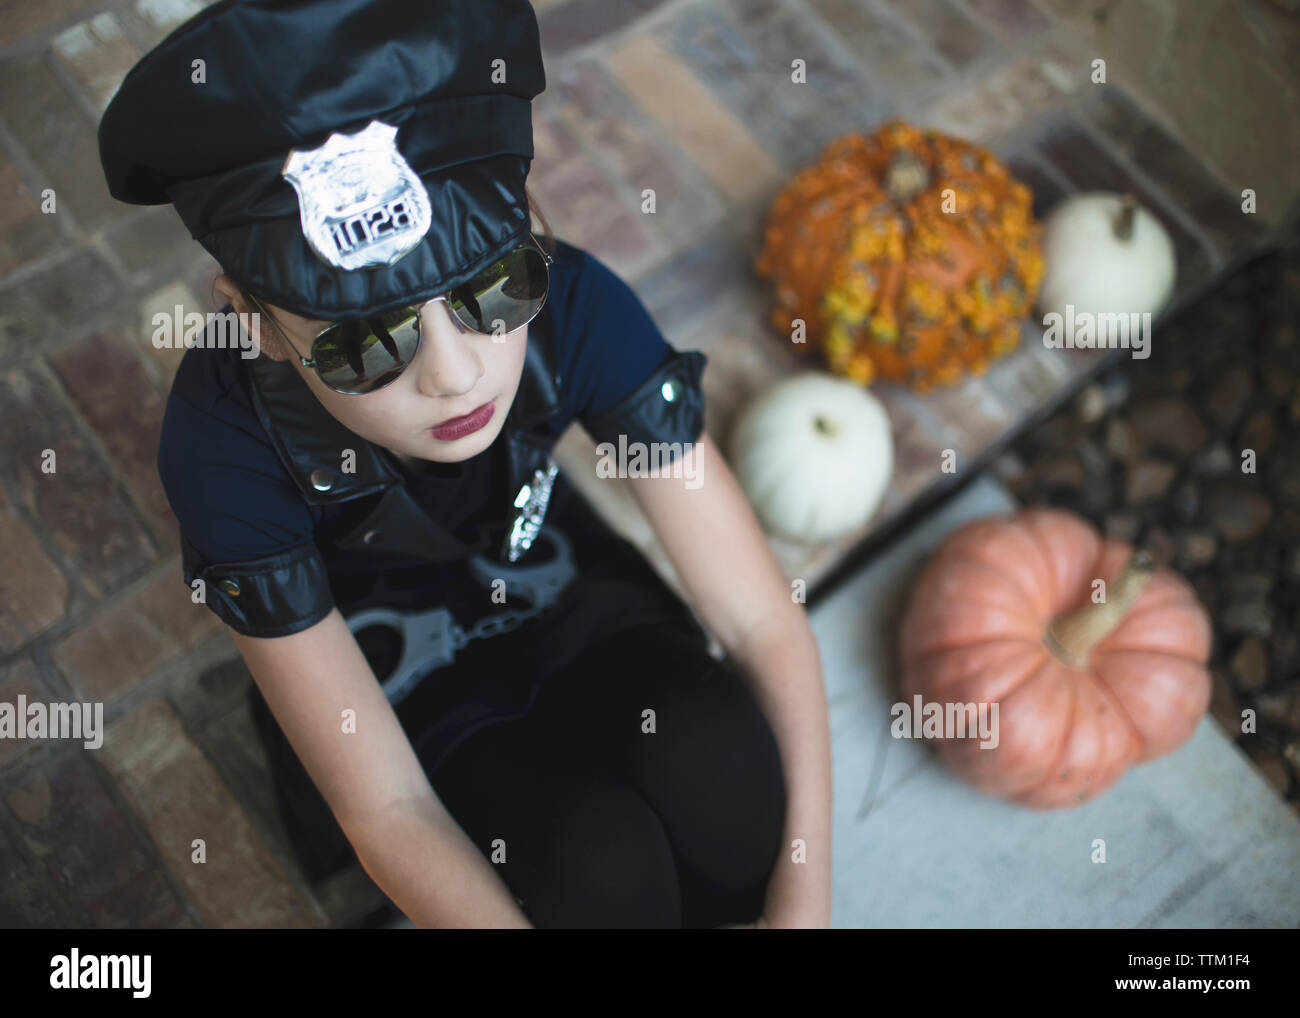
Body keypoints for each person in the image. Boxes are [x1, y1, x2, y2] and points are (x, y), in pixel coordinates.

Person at [98, 0, 832, 929]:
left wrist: (804, 906)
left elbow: (763, 619)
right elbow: (387, 805)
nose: (454, 375)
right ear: (257, 323)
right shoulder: (220, 451)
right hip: (403, 679)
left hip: (568, 593)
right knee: (593, 871)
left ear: (530, 225)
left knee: (720, 769)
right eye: (368, 342)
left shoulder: (575, 307)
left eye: (493, 287)